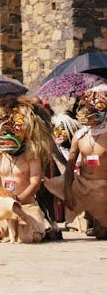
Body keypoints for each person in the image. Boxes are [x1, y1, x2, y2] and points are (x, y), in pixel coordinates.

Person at [0, 97, 55, 243]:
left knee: (31, 238)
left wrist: (19, 200)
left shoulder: (32, 154)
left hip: (26, 205)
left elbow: (35, 182)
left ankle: (43, 224)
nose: (7, 135)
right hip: (2, 204)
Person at [47, 87, 107, 238]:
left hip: (104, 187)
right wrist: (68, 191)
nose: (87, 113)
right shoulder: (80, 136)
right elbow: (70, 165)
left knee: (101, 233)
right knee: (48, 183)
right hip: (83, 185)